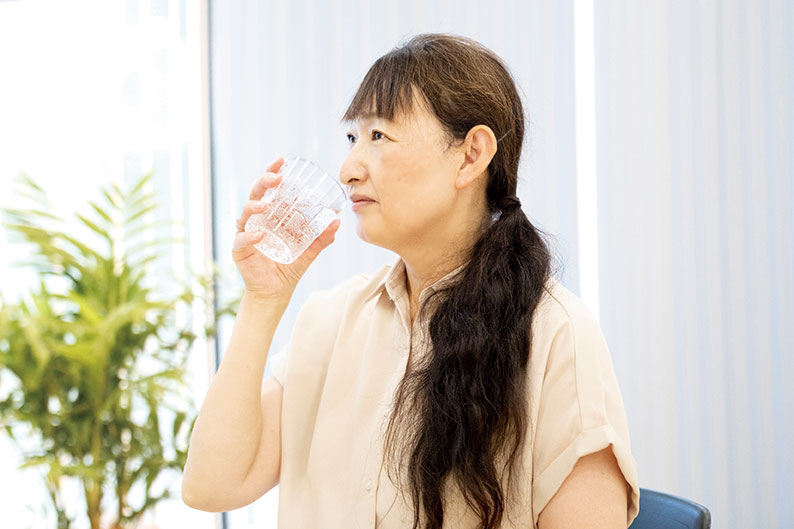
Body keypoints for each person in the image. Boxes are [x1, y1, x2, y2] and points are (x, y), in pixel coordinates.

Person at [182, 33, 640, 529]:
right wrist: (263, 299)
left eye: (379, 136)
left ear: (470, 156)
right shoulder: (330, 321)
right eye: (353, 138)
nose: (348, 168)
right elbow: (212, 486)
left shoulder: (556, 333)